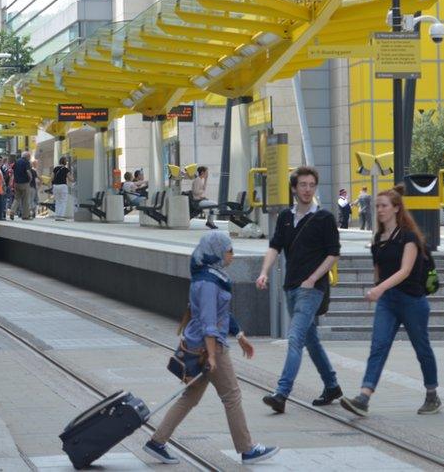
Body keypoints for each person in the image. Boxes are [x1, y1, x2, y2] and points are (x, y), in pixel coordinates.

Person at [143, 231, 279, 465]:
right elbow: (208, 321)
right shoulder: (207, 281)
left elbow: (221, 312)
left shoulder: (212, 276)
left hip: (206, 345)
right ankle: (247, 449)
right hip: (208, 347)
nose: (232, 255)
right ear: (217, 251)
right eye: (229, 250)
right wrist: (213, 356)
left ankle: (156, 442)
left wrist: (240, 334)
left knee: (191, 397)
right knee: (232, 395)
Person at [339, 185, 441, 417]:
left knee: (421, 348)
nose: (380, 210)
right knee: (378, 346)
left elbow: (405, 271)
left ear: (396, 208)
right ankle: (363, 398)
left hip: (412, 300)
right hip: (388, 301)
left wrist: (378, 290)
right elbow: (378, 271)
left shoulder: (409, 238)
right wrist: (377, 288)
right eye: (377, 206)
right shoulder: (378, 238)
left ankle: (432, 394)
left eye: (384, 206)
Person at [257, 166, 342, 413]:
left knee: (294, 338)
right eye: (303, 185)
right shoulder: (285, 217)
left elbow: (333, 254)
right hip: (291, 288)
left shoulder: (324, 218)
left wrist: (313, 279)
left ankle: (281, 394)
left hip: (312, 289)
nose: (307, 189)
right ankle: (332, 385)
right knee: (310, 339)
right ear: (294, 188)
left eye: (311, 185)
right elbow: (275, 247)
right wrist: (264, 272)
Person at [11, 151, 33, 220]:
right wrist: (30, 178)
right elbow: (28, 171)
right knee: (25, 200)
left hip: (16, 183)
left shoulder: (16, 162)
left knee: (16, 198)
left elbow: (12, 172)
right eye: (29, 157)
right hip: (24, 183)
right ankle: (25, 216)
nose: (29, 158)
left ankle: (12, 211)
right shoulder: (26, 162)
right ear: (27, 156)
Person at [51, 156, 73, 220]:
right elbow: (70, 179)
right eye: (66, 161)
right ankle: (61, 216)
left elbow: (52, 178)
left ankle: (57, 215)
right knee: (63, 201)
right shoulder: (66, 169)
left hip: (55, 186)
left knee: (57, 201)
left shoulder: (55, 168)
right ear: (64, 162)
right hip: (63, 186)